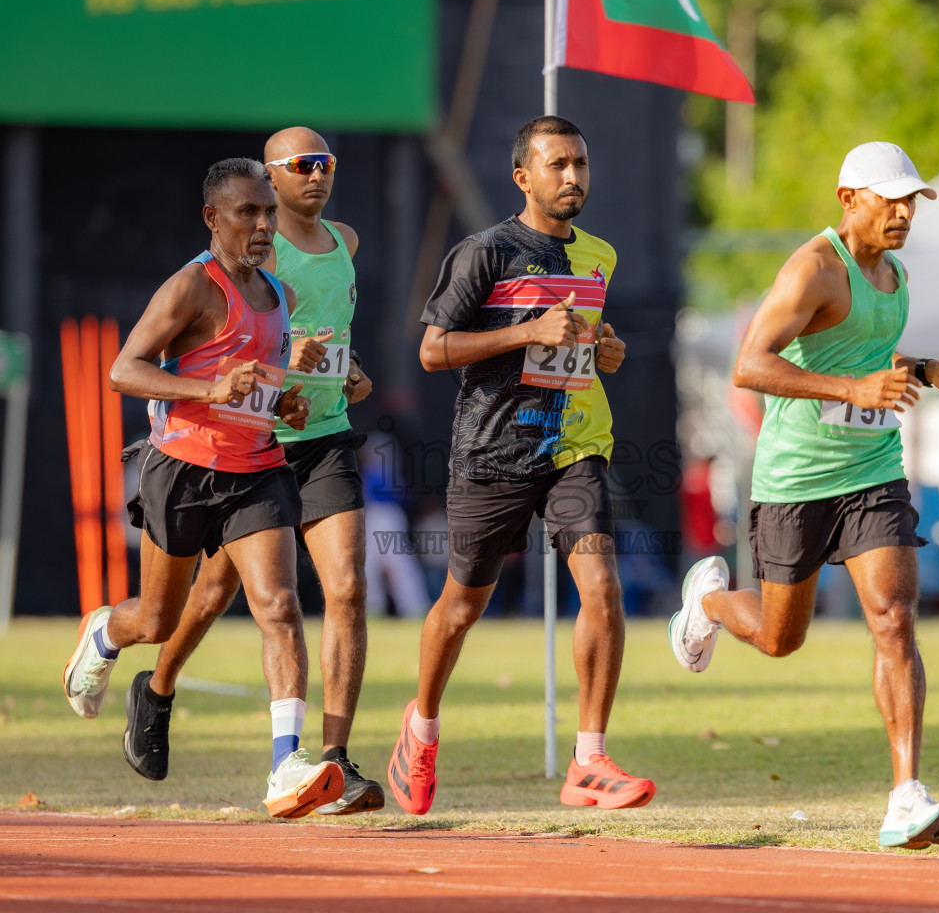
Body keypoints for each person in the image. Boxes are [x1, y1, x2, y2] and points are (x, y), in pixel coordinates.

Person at [668, 141, 939, 849]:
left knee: (894, 619)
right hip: (797, 482)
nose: (903, 213)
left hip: (872, 470)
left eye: (911, 201)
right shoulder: (812, 267)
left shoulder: (894, 273)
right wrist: (850, 390)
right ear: (848, 200)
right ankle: (709, 601)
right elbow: (750, 364)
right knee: (782, 638)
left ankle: (906, 795)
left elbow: (868, 359)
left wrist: (928, 369)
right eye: (889, 199)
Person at [387, 115, 655, 815]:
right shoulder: (485, 252)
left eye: (581, 164)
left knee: (600, 586)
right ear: (523, 176)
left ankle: (589, 761)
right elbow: (433, 351)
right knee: (460, 606)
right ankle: (421, 730)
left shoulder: (599, 254)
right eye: (558, 164)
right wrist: (528, 331)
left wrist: (604, 351)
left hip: (574, 447)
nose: (573, 177)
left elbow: (587, 341)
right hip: (492, 451)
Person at [62, 157, 344, 819]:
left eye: (268, 212)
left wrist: (287, 407)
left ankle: (285, 765)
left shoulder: (282, 295)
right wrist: (206, 388)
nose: (263, 224)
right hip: (183, 469)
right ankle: (106, 633)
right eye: (247, 212)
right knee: (158, 621)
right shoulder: (192, 287)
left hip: (257, 469)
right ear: (212, 218)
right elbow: (122, 370)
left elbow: (260, 386)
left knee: (277, 604)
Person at [116, 129, 387, 816]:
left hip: (319, 436)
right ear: (267, 181)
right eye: (302, 166)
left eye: (326, 163)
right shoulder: (245, 253)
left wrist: (349, 373)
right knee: (204, 599)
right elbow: (197, 346)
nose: (317, 177)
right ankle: (159, 687)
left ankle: (328, 764)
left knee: (344, 589)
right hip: (245, 442)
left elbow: (332, 344)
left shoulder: (346, 242)